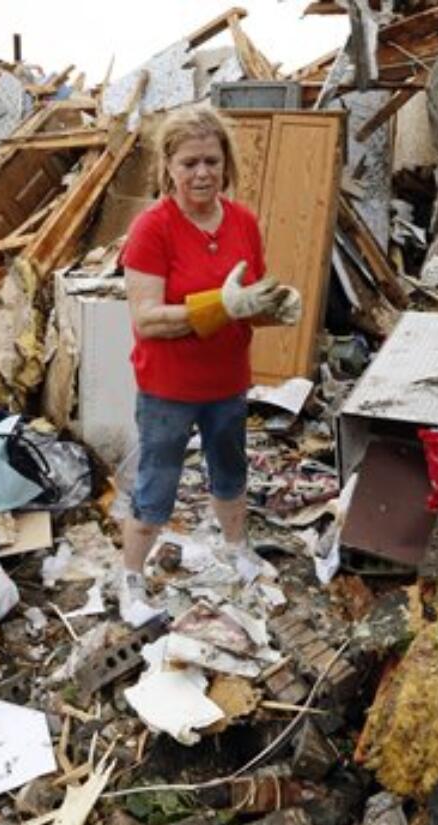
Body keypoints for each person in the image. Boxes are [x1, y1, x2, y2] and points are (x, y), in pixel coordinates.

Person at [119, 106, 302, 596]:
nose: (202, 173)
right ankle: (131, 580)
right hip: (169, 388)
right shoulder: (151, 229)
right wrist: (219, 304)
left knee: (231, 470)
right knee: (156, 484)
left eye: (212, 162)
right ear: (169, 168)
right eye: (190, 163)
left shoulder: (242, 222)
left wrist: (274, 308)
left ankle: (237, 548)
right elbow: (147, 318)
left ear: (226, 165)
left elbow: (246, 303)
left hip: (226, 381)